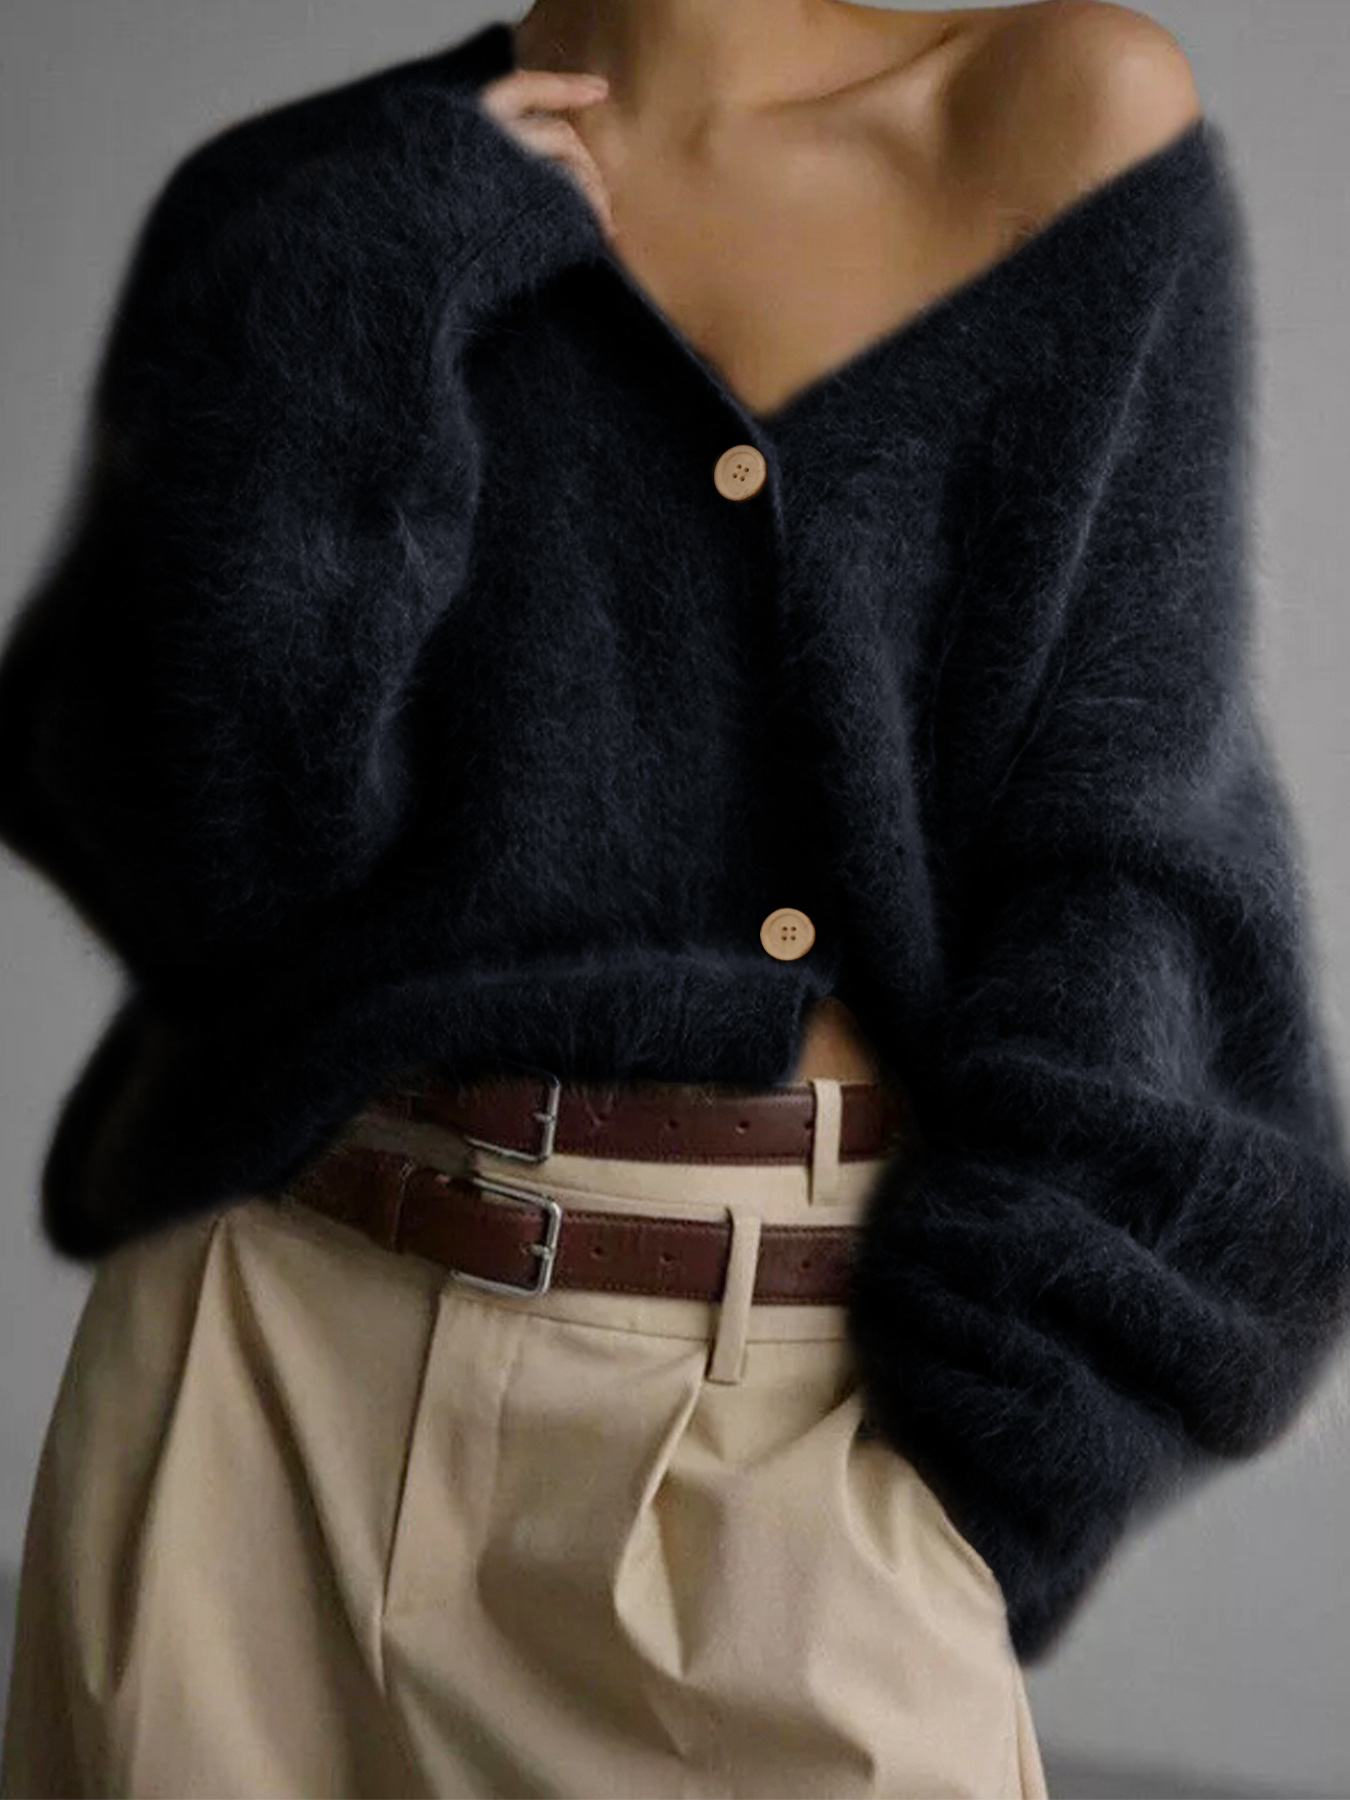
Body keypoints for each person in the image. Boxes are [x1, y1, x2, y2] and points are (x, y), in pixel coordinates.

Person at [3, 2, 1349, 1795]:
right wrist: (377, 279)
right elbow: (202, 862)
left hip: (762, 1448)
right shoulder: (315, 195)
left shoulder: (1055, 109)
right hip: (253, 1396)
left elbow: (1121, 838)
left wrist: (986, 1467)